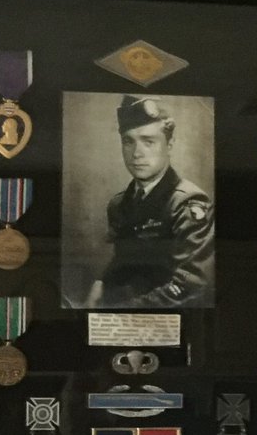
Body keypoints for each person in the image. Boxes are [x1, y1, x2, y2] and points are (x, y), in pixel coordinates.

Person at [87, 95, 214, 308]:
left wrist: (122, 312)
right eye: (128, 141)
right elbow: (124, 258)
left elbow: (192, 283)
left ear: (170, 143)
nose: (137, 153)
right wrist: (101, 282)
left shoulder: (188, 202)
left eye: (148, 141)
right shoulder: (119, 204)